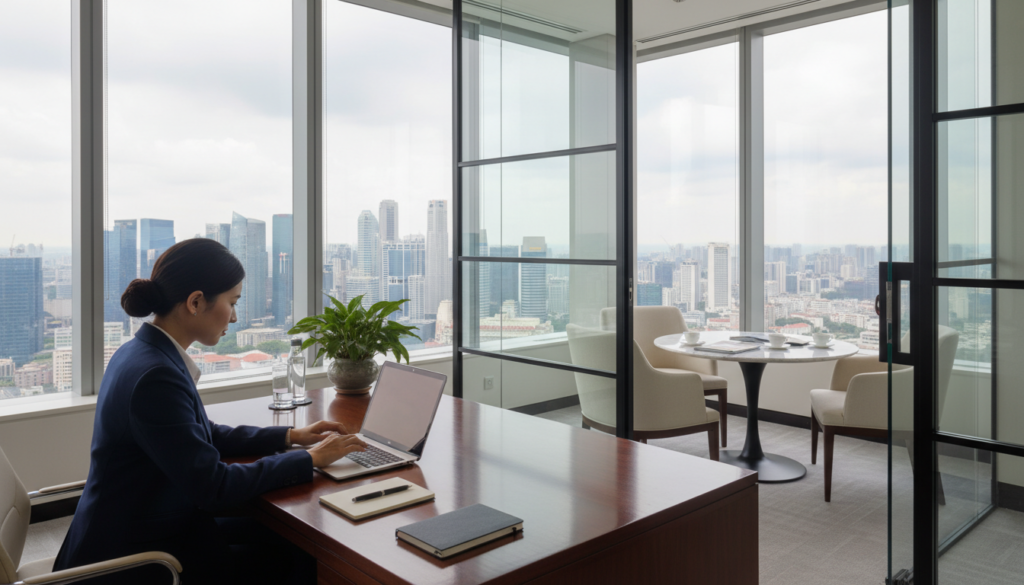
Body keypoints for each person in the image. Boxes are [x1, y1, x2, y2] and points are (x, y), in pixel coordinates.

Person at [53, 238, 366, 584]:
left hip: (148, 522)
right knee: (299, 555)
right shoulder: (156, 375)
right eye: (232, 302)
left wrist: (291, 437)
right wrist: (309, 459)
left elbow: (204, 434)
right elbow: (213, 486)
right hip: (135, 558)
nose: (234, 316)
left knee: (282, 536)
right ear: (196, 302)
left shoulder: (142, 352)